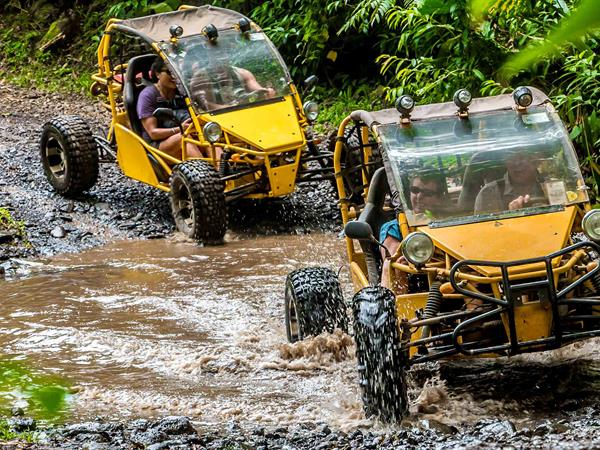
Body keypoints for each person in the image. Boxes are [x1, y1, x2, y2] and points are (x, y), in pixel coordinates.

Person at [379, 175, 445, 291]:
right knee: (392, 264)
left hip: (449, 279)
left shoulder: (449, 223)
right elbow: (392, 264)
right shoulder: (393, 228)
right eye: (415, 190)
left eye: (428, 193)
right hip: (411, 285)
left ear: (439, 199)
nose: (419, 197)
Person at [136, 57, 203, 158]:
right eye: (169, 72)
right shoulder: (147, 95)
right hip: (157, 145)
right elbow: (153, 133)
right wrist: (180, 129)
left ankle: (220, 168)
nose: (174, 76)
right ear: (158, 74)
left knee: (208, 135)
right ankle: (204, 173)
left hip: (184, 133)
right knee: (183, 138)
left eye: (176, 72)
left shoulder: (182, 92)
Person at [189, 57, 275, 111]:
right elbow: (204, 104)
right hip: (216, 120)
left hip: (244, 112)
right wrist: (230, 109)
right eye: (216, 56)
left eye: (223, 56)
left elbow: (257, 90)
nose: (221, 60)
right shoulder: (200, 77)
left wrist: (266, 92)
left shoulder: (243, 73)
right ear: (210, 57)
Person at [473, 151, 546, 214]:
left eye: (523, 156)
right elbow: (484, 229)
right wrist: (511, 217)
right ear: (505, 161)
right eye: (511, 157)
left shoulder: (551, 186)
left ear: (536, 160)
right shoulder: (489, 193)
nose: (517, 163)